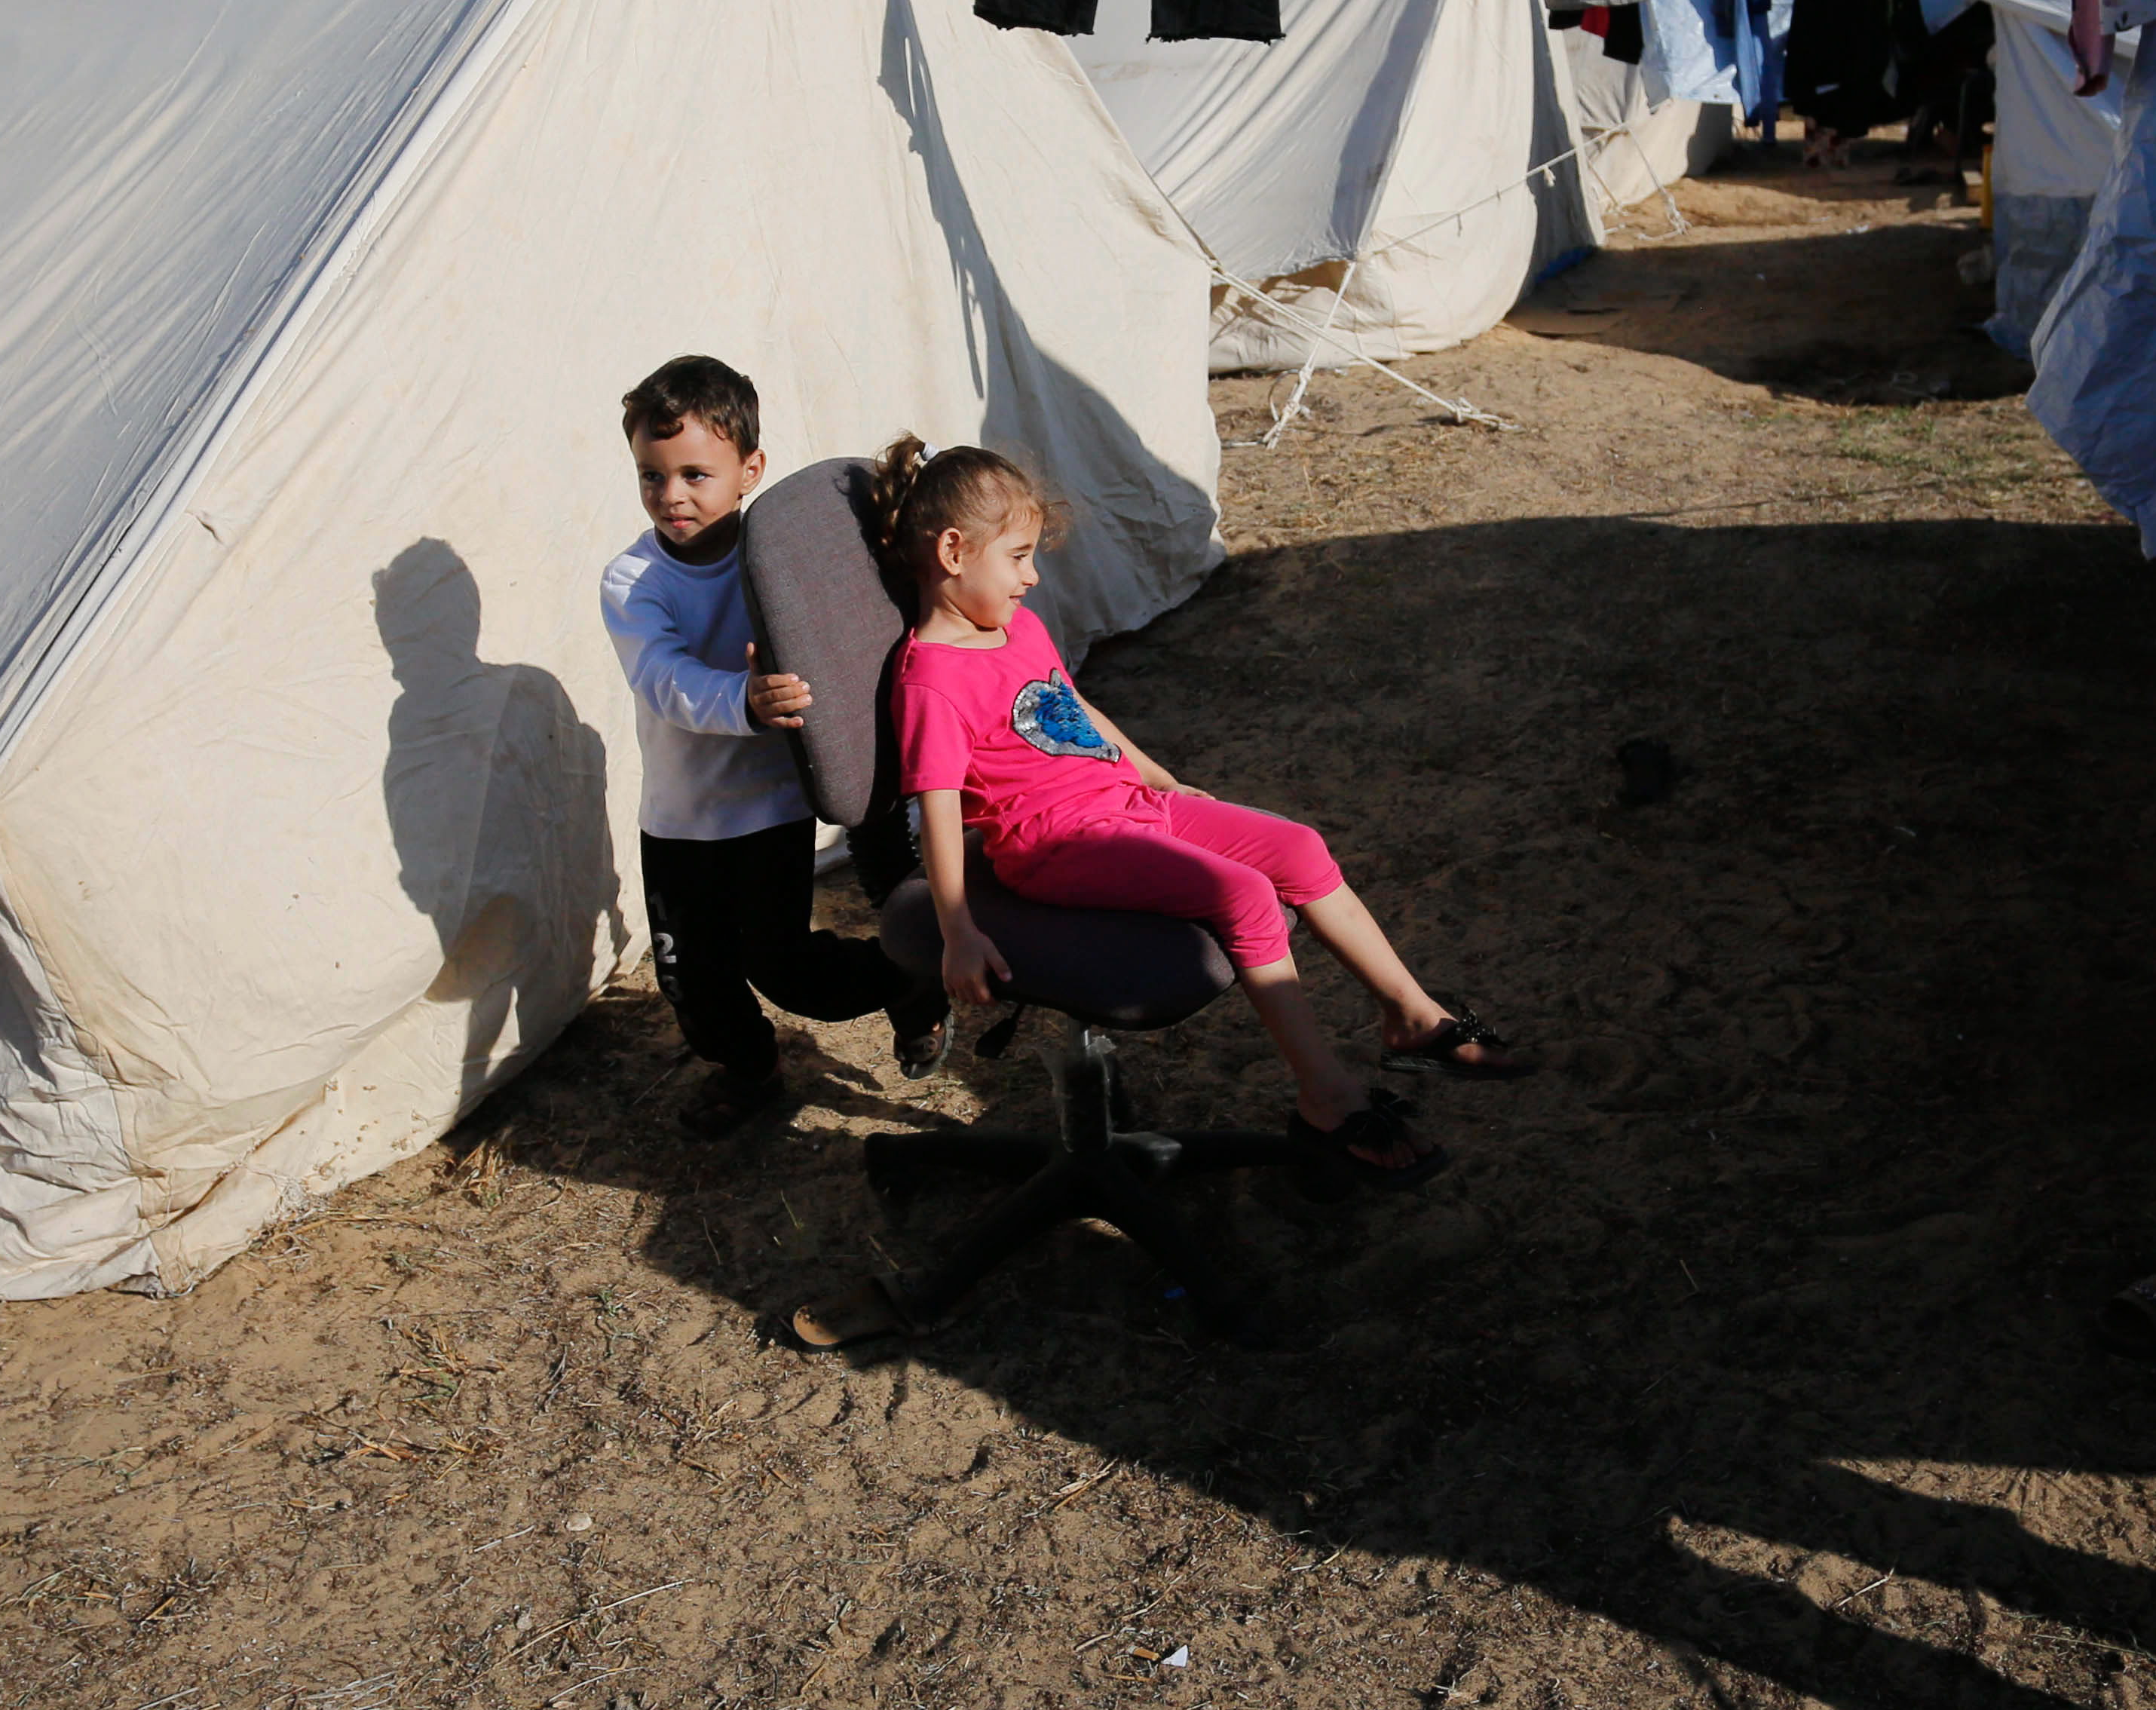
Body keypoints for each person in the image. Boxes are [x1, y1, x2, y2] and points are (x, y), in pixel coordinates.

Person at [871, 436, 1523, 1187]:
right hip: (1055, 843)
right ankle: (1326, 1097)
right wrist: (959, 931)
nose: (1033, 575)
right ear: (954, 551)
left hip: (1128, 802)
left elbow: (1073, 708)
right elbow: (938, 810)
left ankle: (1413, 1015)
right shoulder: (931, 682)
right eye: (1018, 556)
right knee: (1242, 894)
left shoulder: (1017, 627)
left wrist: (1162, 778)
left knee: (1300, 848)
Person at [602, 356, 945, 1136]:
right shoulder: (633, 581)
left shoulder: (791, 561)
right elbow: (661, 678)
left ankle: (909, 979)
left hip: (772, 809)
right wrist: (744, 700)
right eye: (652, 475)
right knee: (692, 979)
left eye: (695, 474)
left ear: (750, 471)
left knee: (786, 969)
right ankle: (751, 1069)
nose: (672, 495)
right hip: (681, 818)